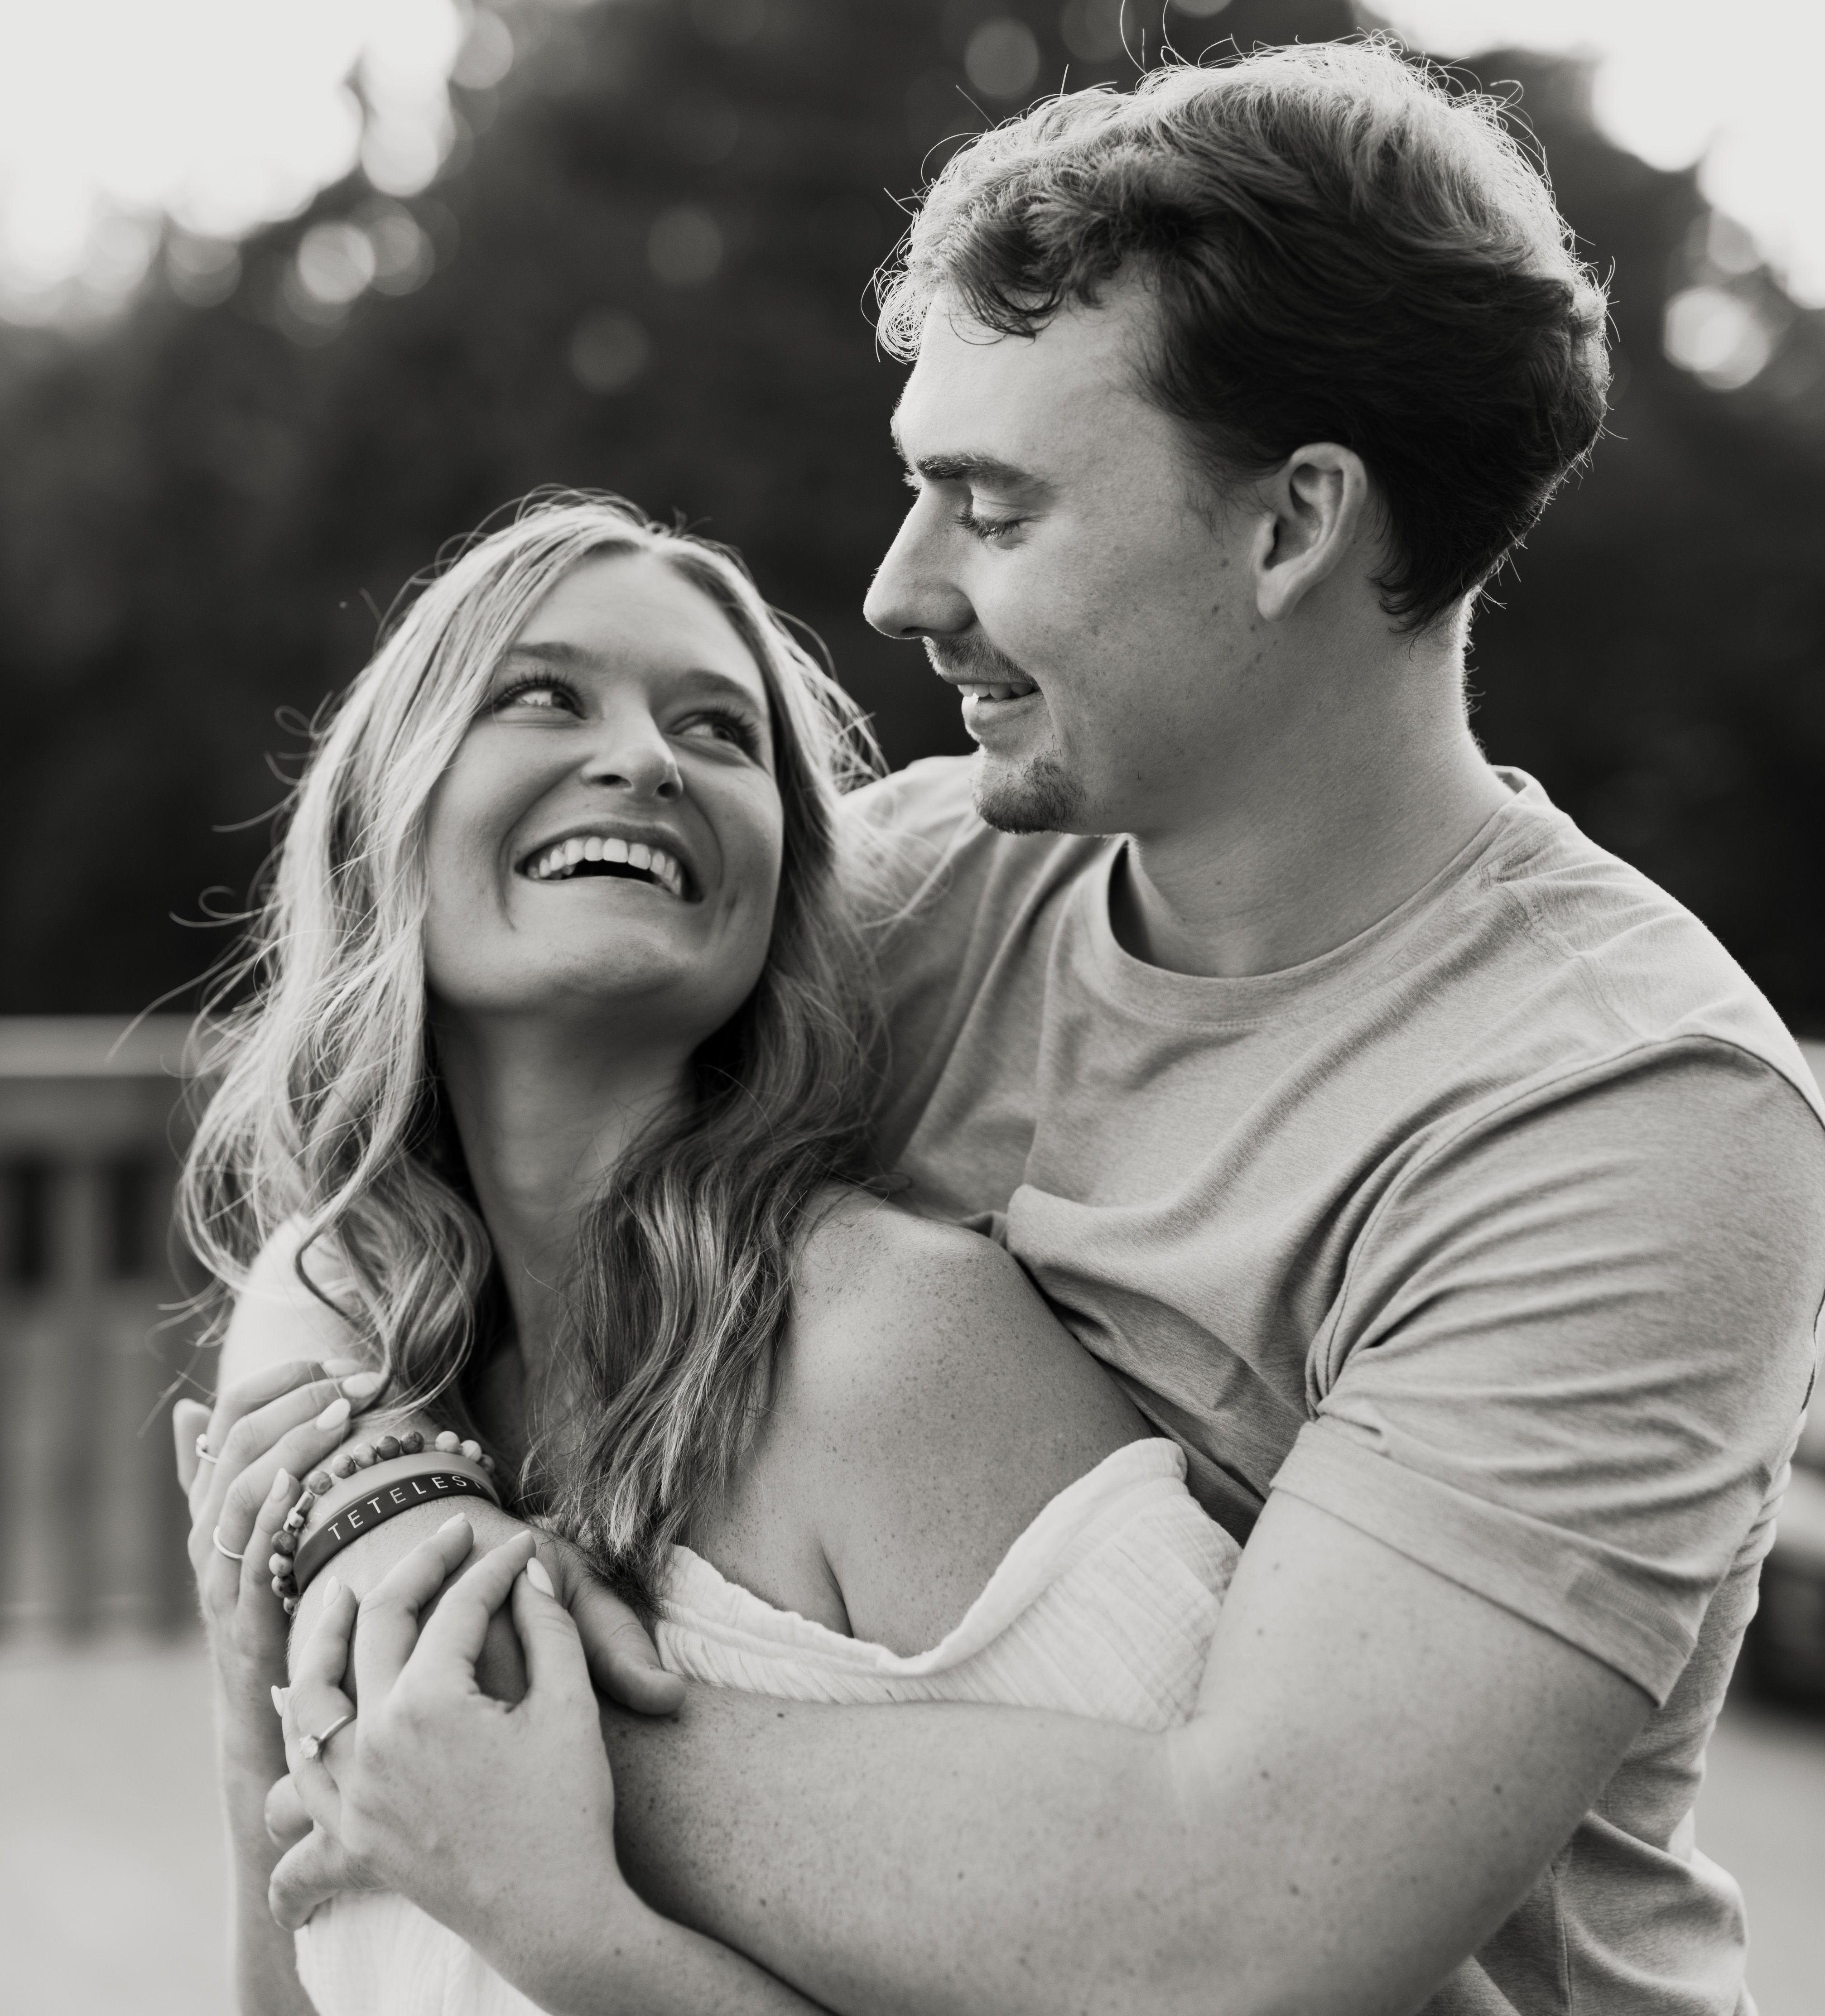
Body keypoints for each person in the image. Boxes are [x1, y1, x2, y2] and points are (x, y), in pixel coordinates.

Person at [255, 40, 1825, 2016]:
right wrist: (374, 1484)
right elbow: (407, 1141)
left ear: (1288, 529)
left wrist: (494, 1725)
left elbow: (1241, 1929)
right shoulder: (912, 898)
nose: (896, 589)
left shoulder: (1617, 1113)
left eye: (988, 509)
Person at [172, 493, 1239, 2014]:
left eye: (719, 730)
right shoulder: (360, 1357)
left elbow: (1245, 1958)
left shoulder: (890, 1345)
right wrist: (252, 1710)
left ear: (779, 892)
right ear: (379, 826)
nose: (648, 759)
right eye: (545, 696)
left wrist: (573, 1936)